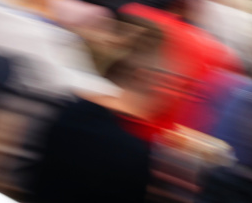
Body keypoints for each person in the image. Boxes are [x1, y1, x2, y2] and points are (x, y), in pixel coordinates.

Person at [26, 30, 168, 203]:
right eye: (168, 84)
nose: (172, 95)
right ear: (144, 77)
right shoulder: (130, 151)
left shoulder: (70, 111)